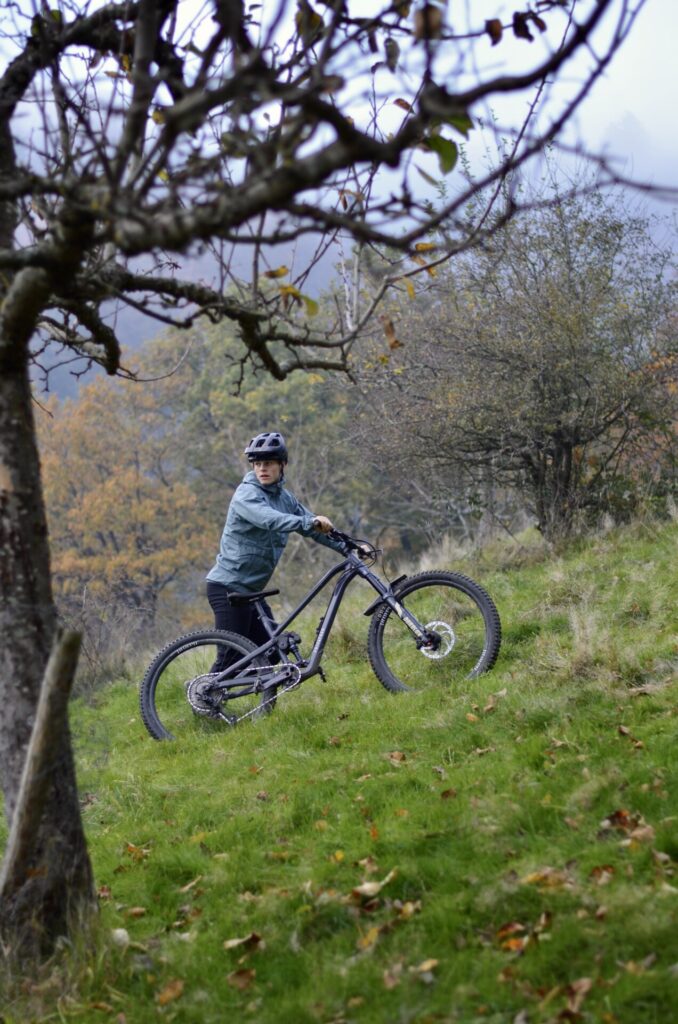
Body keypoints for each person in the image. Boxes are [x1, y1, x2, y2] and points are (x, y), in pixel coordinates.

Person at [205, 431, 346, 663]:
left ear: (283, 465)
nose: (262, 468)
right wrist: (309, 521)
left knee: (271, 653)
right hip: (228, 589)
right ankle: (203, 695)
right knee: (230, 658)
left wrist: (348, 546)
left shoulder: (285, 498)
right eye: (257, 463)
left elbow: (313, 529)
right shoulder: (246, 494)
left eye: (268, 463)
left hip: (252, 592)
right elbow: (269, 519)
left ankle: (251, 695)